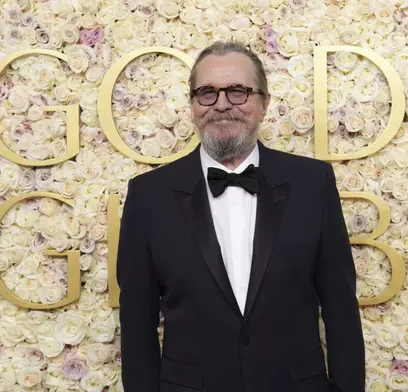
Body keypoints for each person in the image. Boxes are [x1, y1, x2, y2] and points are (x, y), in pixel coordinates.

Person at [116, 40, 365, 392]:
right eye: (207, 93)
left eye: (237, 92)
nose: (221, 105)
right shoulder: (148, 196)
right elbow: (137, 325)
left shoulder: (314, 183)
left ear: (264, 102)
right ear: (192, 105)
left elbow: (340, 309)